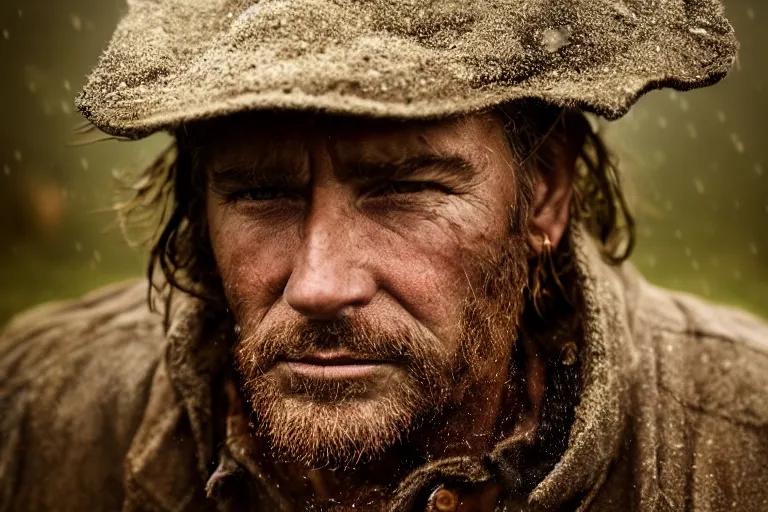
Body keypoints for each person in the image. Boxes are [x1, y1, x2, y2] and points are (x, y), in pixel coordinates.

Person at [2, 0, 767, 511]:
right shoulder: (33, 417)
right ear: (200, 204)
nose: (320, 282)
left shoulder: (741, 443)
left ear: (546, 192)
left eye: (403, 189)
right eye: (260, 195)